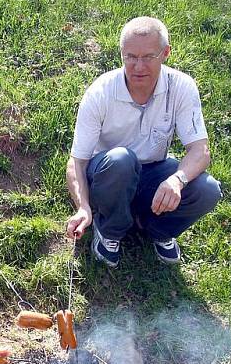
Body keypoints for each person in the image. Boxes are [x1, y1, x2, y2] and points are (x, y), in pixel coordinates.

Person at [65, 17, 221, 267]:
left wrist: (176, 180)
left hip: (153, 170)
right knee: (121, 160)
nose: (138, 66)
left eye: (148, 57)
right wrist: (83, 207)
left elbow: (200, 151)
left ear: (165, 53)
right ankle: (110, 230)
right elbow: (77, 162)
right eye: (130, 57)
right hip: (109, 173)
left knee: (208, 190)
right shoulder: (100, 92)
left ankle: (156, 229)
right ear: (121, 55)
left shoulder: (182, 87)